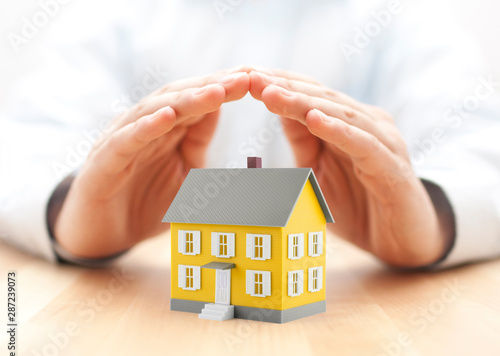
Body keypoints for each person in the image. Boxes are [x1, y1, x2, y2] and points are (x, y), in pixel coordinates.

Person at [1, 0, 499, 268]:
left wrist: (433, 216)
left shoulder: (399, 14)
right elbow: (21, 143)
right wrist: (67, 211)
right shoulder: (114, 13)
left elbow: (483, 142)